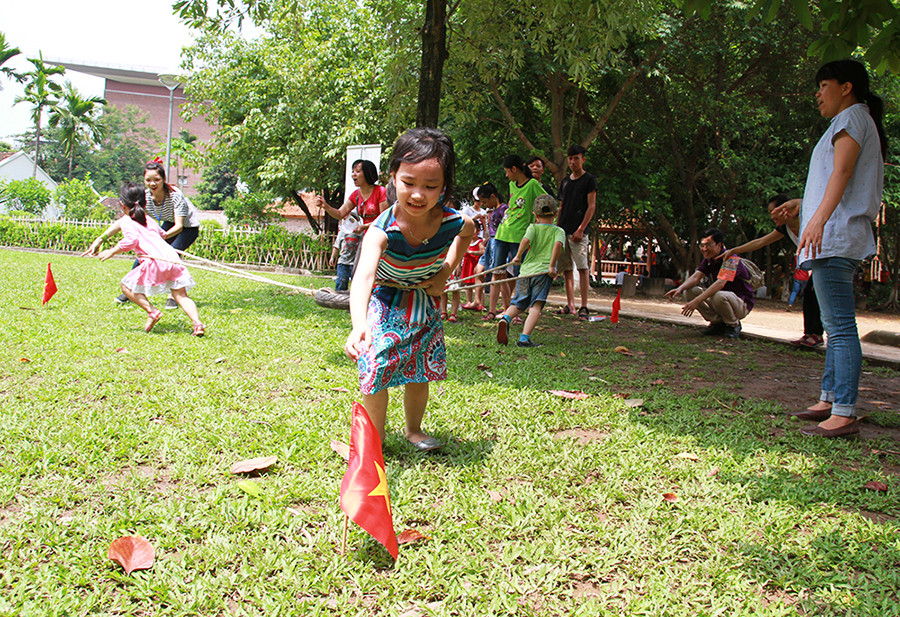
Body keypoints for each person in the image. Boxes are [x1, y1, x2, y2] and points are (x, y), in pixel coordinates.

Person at [345, 127, 475, 451]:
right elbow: (363, 278)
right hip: (385, 301)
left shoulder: (452, 221)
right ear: (392, 177)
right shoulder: (381, 230)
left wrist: (446, 271)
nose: (418, 194)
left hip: (424, 303)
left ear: (444, 186)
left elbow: (468, 232)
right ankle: (373, 442)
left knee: (419, 371)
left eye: (430, 186)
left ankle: (414, 430)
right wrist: (359, 325)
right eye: (409, 183)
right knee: (376, 368)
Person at [788, 59, 886, 438]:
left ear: (846, 87)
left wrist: (817, 220)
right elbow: (837, 177)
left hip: (835, 236)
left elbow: (843, 174)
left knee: (841, 328)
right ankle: (830, 398)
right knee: (833, 325)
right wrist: (803, 205)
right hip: (835, 232)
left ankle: (843, 411)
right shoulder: (853, 121)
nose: (818, 94)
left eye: (823, 85)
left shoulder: (851, 120)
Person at [84, 183, 204, 336]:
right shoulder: (148, 220)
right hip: (172, 258)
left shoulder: (127, 221)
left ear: (122, 205)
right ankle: (197, 323)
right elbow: (162, 234)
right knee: (180, 295)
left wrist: (112, 251)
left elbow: (131, 240)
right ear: (145, 203)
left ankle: (152, 311)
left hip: (154, 262)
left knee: (126, 286)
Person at [720, 194, 824, 347]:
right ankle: (810, 334)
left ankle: (817, 335)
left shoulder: (808, 221)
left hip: (827, 259)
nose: (771, 215)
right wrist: (734, 250)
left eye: (773, 211)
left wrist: (819, 270)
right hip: (816, 264)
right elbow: (761, 242)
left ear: (786, 209)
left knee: (814, 296)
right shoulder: (785, 228)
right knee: (809, 296)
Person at [117, 160, 201, 308]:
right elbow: (134, 218)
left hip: (187, 227)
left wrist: (160, 238)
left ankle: (174, 295)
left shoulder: (175, 195)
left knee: (173, 253)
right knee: (146, 253)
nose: (152, 184)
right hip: (168, 223)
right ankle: (131, 288)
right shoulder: (145, 197)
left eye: (157, 180)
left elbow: (179, 226)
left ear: (163, 180)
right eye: (148, 180)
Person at [496, 195, 564, 348]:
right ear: (555, 214)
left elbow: (525, 241)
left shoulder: (532, 227)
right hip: (542, 272)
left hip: (526, 271)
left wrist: (518, 257)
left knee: (519, 302)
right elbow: (558, 245)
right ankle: (524, 339)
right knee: (536, 305)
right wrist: (552, 266)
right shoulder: (558, 231)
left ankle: (506, 318)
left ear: (535, 215)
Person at [664, 228, 755, 339]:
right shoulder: (709, 260)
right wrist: (680, 288)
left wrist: (697, 301)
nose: (705, 249)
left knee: (718, 295)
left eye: (709, 245)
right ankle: (717, 323)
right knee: (689, 292)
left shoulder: (731, 259)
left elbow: (720, 284)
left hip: (741, 303)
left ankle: (733, 325)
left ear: (719, 245)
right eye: (702, 245)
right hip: (722, 299)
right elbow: (696, 277)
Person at [486, 155, 546, 320]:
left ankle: (518, 311)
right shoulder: (512, 184)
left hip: (520, 236)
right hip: (502, 233)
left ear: (514, 169)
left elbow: (546, 202)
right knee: (497, 272)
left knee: (520, 274)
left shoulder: (533, 184)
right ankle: (497, 310)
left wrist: (540, 228)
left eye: (507, 171)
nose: (506, 175)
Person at [556, 144, 597, 320]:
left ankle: (584, 307)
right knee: (566, 269)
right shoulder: (565, 181)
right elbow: (561, 206)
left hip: (579, 231)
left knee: (582, 268)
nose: (573, 162)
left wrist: (581, 229)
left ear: (583, 159)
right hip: (563, 229)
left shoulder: (589, 180)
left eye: (576, 158)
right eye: (570, 158)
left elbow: (591, 206)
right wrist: (556, 229)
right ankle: (570, 304)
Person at [319, 159, 389, 231]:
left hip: (381, 235)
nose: (353, 174)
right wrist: (325, 206)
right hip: (367, 236)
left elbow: (384, 219)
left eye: (358, 171)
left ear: (367, 173)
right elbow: (339, 214)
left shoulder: (381, 191)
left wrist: (364, 227)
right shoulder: (356, 195)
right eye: (353, 171)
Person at [329, 213, 362, 291]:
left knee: (357, 284)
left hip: (355, 263)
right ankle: (339, 299)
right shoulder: (343, 232)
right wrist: (332, 257)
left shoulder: (360, 233)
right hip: (343, 262)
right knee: (341, 282)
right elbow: (337, 245)